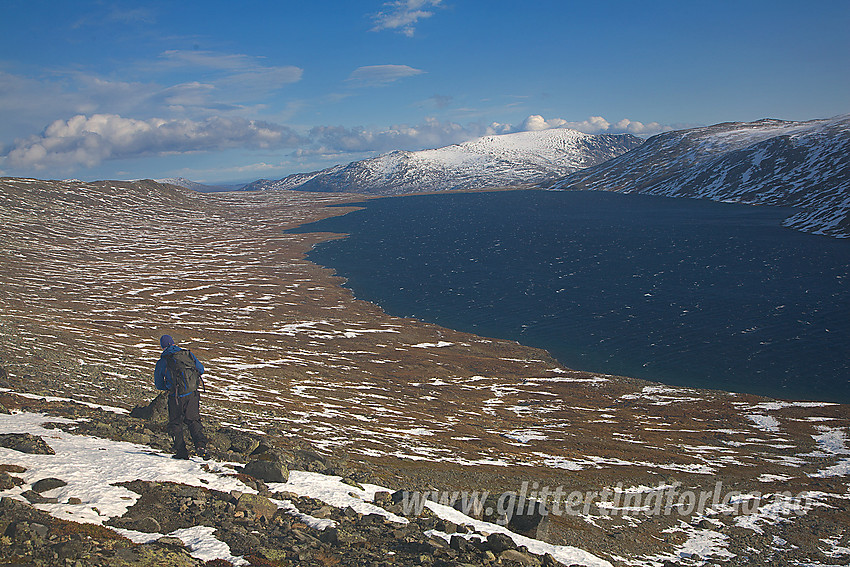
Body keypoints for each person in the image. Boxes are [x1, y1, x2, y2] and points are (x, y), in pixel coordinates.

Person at [154, 334, 209, 459]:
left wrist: (168, 387)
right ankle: (201, 446)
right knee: (193, 420)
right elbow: (201, 369)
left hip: (176, 396)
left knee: (176, 423)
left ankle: (181, 452)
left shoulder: (163, 361)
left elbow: (158, 383)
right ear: (173, 343)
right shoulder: (187, 355)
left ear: (162, 346)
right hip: (192, 394)